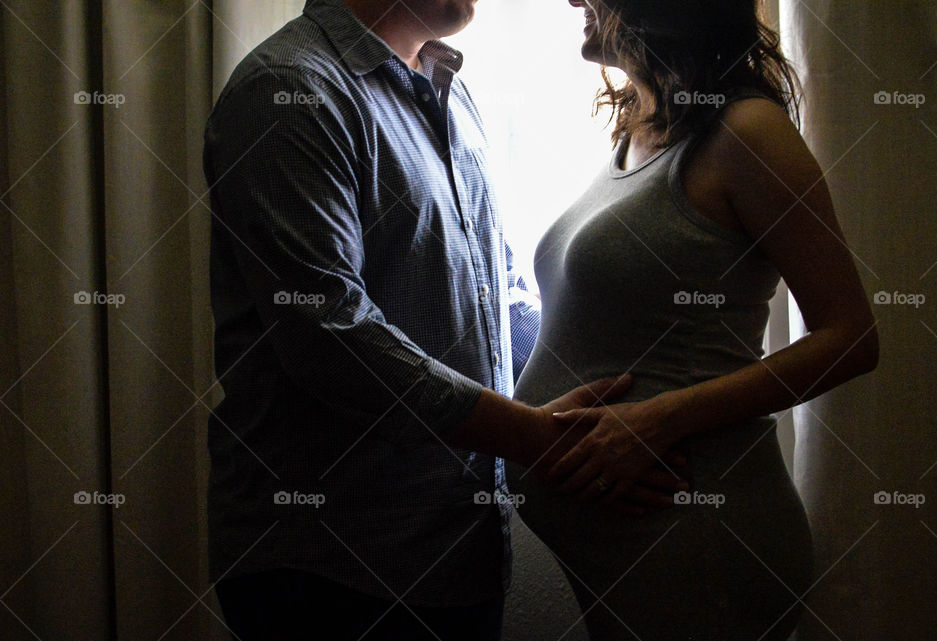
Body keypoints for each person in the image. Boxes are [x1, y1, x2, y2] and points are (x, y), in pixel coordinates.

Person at [202, 0, 687, 639]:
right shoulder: (290, 88)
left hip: (452, 553)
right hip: (332, 568)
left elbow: (499, 291)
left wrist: (590, 407)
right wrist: (533, 436)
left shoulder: (448, 90)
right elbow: (331, 335)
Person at [504, 0, 880, 639]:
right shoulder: (639, 128)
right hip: (630, 547)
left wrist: (657, 418)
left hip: (699, 535)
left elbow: (851, 339)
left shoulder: (746, 133)